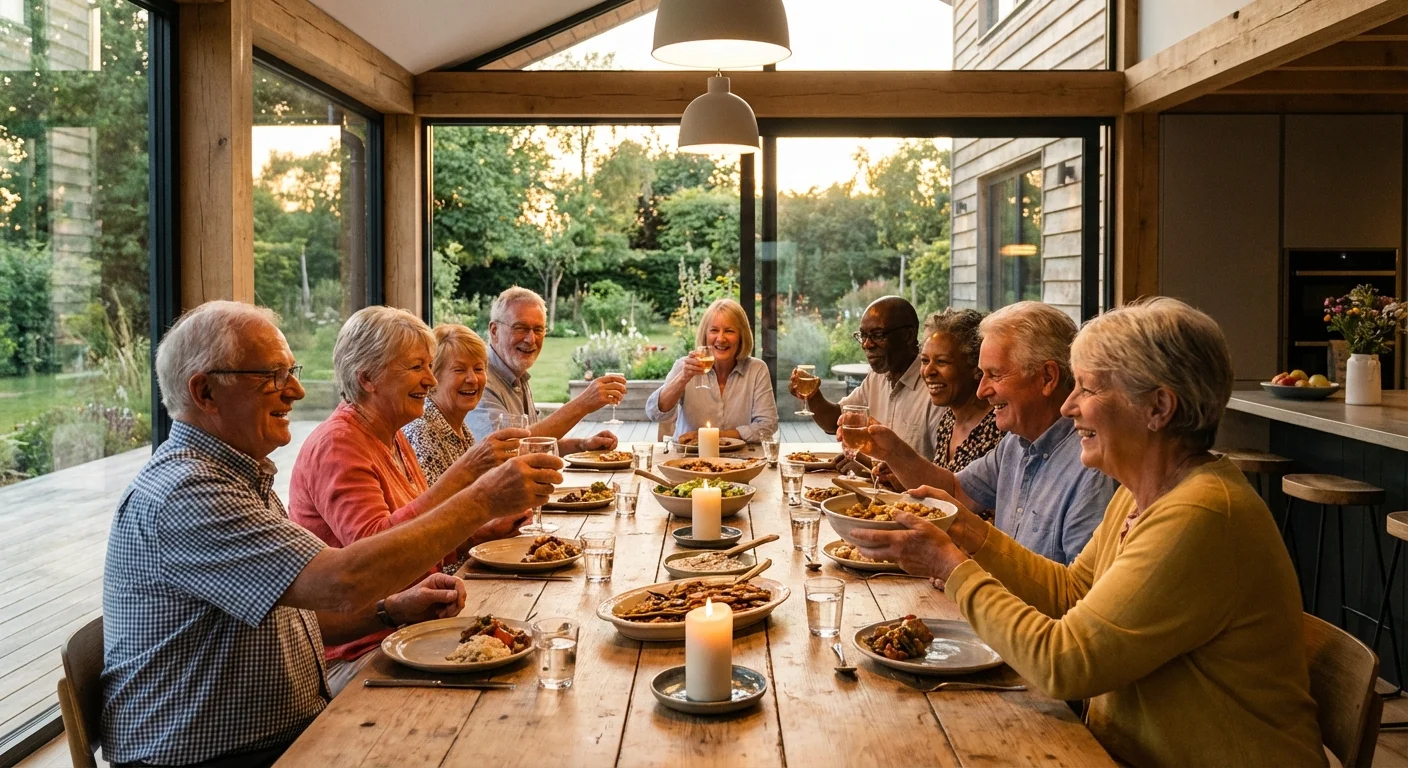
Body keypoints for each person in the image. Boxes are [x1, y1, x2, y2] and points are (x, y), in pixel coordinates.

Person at [849, 298, 1324, 767]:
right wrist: (966, 531)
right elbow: (1070, 590)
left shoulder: (1200, 516)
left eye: (1090, 389)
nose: (1070, 406)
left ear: (1158, 407)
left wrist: (950, 565)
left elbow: (1065, 664)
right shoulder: (1142, 494)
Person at [101, 301, 560, 767]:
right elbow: (344, 581)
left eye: (291, 372)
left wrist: (388, 611)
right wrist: (480, 498)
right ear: (205, 392)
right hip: (216, 756)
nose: (296, 391)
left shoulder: (234, 476)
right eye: (273, 377)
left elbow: (296, 615)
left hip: (282, 728)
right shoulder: (187, 491)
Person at [289, 307, 531, 692]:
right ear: (367, 377)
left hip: (410, 631)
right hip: (358, 653)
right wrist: (466, 476)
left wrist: (476, 534)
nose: (431, 380)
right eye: (418, 367)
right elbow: (379, 558)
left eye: (431, 367)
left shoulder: (392, 432)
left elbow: (416, 537)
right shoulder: (339, 444)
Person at [864, 301, 1111, 563]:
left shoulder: (1092, 466)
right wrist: (892, 451)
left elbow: (1075, 594)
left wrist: (959, 566)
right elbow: (955, 491)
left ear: (1047, 378)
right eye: (982, 374)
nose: (981, 390)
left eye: (994, 375)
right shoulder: (1016, 443)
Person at [465, 286, 624, 454]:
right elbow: (508, 451)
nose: (530, 339)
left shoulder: (516, 373)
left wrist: (582, 445)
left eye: (538, 330)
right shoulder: (479, 381)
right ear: (494, 331)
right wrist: (584, 403)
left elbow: (533, 443)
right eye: (521, 328)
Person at [788, 295, 939, 458]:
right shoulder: (877, 377)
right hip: (872, 483)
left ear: (908, 336)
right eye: (863, 336)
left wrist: (865, 465)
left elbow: (942, 474)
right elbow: (834, 421)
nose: (867, 344)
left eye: (877, 335)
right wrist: (813, 395)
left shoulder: (934, 389)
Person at [873, 309, 1002, 493]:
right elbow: (944, 490)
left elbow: (967, 500)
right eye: (925, 361)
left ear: (976, 367)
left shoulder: (998, 427)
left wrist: (894, 450)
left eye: (942, 362)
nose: (928, 371)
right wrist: (901, 477)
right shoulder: (949, 418)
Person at [645, 298, 778, 444]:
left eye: (729, 331)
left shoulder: (756, 369)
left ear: (742, 336)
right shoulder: (685, 366)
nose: (721, 339)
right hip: (688, 458)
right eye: (714, 330)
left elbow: (767, 425)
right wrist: (683, 378)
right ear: (705, 334)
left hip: (741, 460)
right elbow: (654, 413)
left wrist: (714, 437)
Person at [403, 323, 520, 485]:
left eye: (479, 369)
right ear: (434, 376)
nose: (472, 379)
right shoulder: (422, 431)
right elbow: (435, 507)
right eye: (459, 370)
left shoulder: (459, 427)